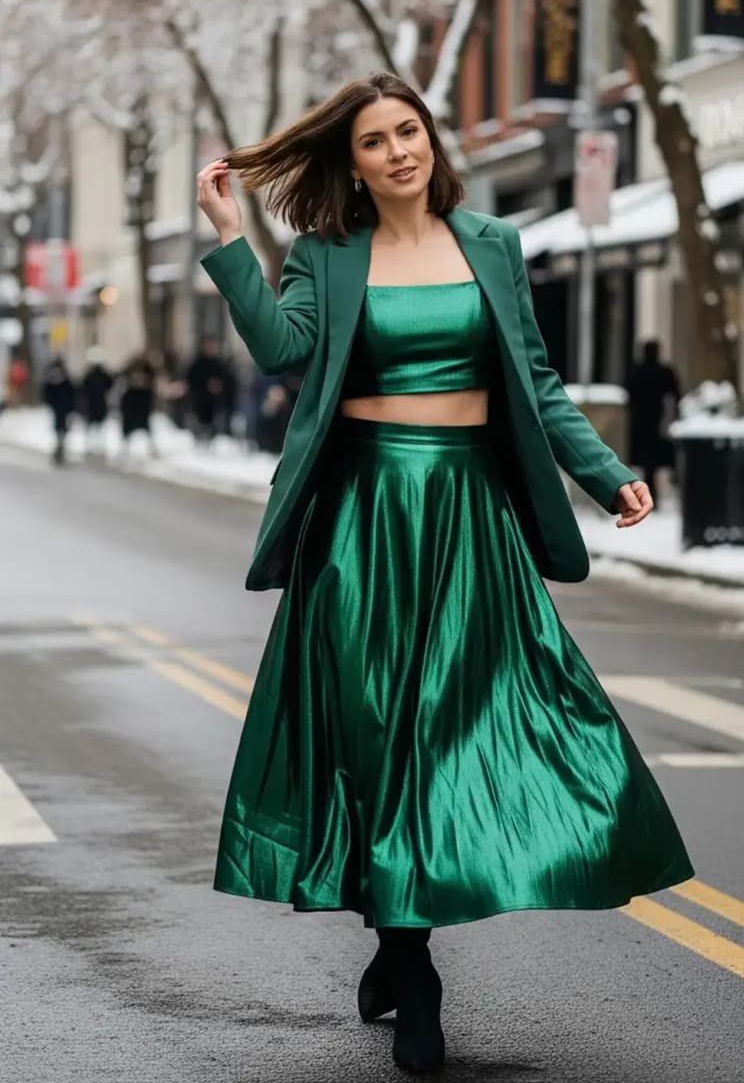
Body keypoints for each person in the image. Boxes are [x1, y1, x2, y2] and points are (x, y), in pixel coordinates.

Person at [196, 72, 693, 1075]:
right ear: (353, 162)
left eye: (408, 130)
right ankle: (412, 964)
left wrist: (604, 474)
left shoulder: (494, 246)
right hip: (367, 521)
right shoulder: (327, 254)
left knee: (468, 734)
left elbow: (534, 383)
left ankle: (400, 930)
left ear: (432, 139)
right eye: (375, 140)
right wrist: (227, 236)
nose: (398, 151)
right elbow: (284, 349)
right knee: (384, 742)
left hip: (472, 516)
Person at [625, 339, 682, 509]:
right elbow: (675, 394)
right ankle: (650, 495)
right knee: (653, 462)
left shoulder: (637, 371)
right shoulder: (663, 371)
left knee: (646, 462)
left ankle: (645, 495)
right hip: (656, 420)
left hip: (641, 421)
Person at [186, 337, 235, 441]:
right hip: (201, 399)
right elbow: (192, 379)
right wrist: (206, 385)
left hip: (215, 402)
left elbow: (227, 380)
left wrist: (219, 385)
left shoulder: (220, 363)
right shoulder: (198, 363)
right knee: (201, 422)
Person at [118, 354, 157, 457]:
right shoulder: (129, 392)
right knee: (128, 429)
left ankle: (151, 448)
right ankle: (125, 447)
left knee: (146, 429)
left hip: (142, 411)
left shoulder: (146, 392)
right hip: (131, 412)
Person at [41, 355, 76, 465]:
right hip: (60, 408)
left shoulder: (61, 377)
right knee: (60, 430)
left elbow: (71, 392)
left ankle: (60, 450)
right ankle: (59, 451)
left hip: (62, 408)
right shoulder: (54, 377)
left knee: (61, 430)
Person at [79, 348, 113, 453]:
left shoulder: (96, 375)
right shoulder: (91, 375)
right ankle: (91, 443)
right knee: (93, 425)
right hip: (94, 403)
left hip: (97, 403)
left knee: (98, 424)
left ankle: (96, 443)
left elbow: (109, 384)